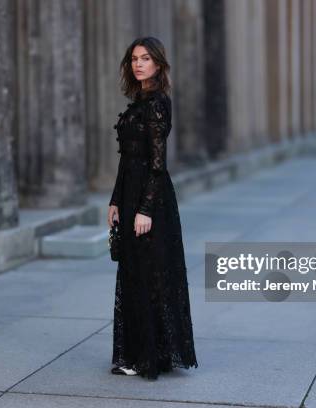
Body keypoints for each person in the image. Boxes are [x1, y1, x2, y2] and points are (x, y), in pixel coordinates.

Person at [107, 37, 198, 380]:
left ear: (158, 64)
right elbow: (127, 159)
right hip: (130, 195)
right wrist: (116, 200)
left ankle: (149, 356)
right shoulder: (137, 103)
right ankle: (142, 352)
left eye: (146, 58)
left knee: (149, 274)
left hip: (152, 200)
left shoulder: (158, 104)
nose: (139, 64)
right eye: (134, 59)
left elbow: (157, 164)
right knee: (132, 272)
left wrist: (145, 209)